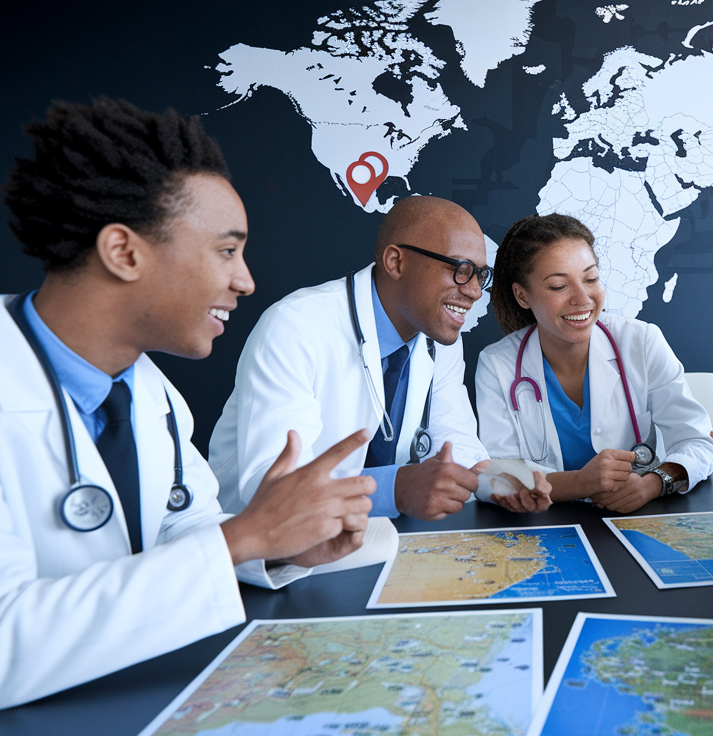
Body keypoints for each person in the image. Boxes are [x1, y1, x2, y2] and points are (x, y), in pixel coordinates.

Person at [0, 98, 377, 714]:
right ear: (124, 252)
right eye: (227, 251)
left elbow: (189, 533)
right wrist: (245, 535)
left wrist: (279, 544)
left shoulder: (152, 394)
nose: (246, 281)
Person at [210, 195, 551, 548]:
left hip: (375, 543)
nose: (475, 291)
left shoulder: (439, 337)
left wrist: (492, 481)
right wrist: (395, 488)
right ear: (395, 261)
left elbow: (456, 441)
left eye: (481, 275)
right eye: (460, 269)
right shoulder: (295, 326)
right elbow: (275, 485)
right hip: (264, 557)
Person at [475, 213, 713, 512]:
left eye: (590, 279)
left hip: (631, 519)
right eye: (558, 286)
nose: (583, 298)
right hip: (546, 527)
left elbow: (699, 443)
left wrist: (652, 484)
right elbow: (495, 475)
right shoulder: (497, 364)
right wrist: (581, 483)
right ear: (522, 295)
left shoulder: (641, 341)